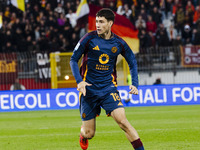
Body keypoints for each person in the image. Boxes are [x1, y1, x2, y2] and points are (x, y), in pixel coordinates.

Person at [70, 8, 144, 150]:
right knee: (89, 133)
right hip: (88, 90)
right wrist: (80, 82)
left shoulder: (119, 43)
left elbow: (132, 61)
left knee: (123, 122)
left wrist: (135, 83)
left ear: (110, 23)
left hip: (108, 89)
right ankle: (82, 133)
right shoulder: (88, 39)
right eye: (97, 21)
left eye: (101, 22)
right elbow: (73, 59)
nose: (97, 24)